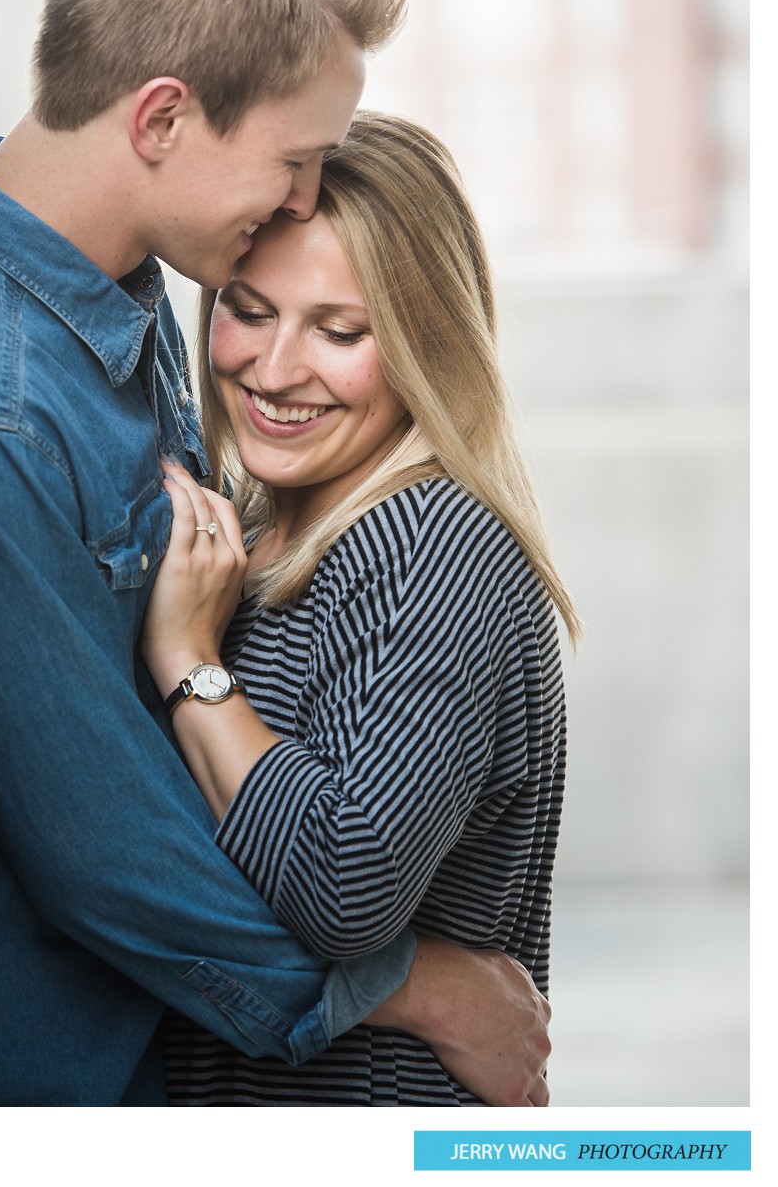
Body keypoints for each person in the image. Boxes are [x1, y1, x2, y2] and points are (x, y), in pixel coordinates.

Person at [0, 0, 551, 1106]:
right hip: (29, 1083)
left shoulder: (129, 298)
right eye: (297, 160)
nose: (307, 200)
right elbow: (105, 852)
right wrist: (412, 983)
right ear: (160, 120)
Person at [146, 111, 576, 1104]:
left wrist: (187, 659)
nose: (276, 369)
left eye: (340, 331)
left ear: (428, 341)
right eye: (248, 310)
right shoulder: (253, 527)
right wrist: (420, 988)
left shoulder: (430, 544)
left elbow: (345, 887)